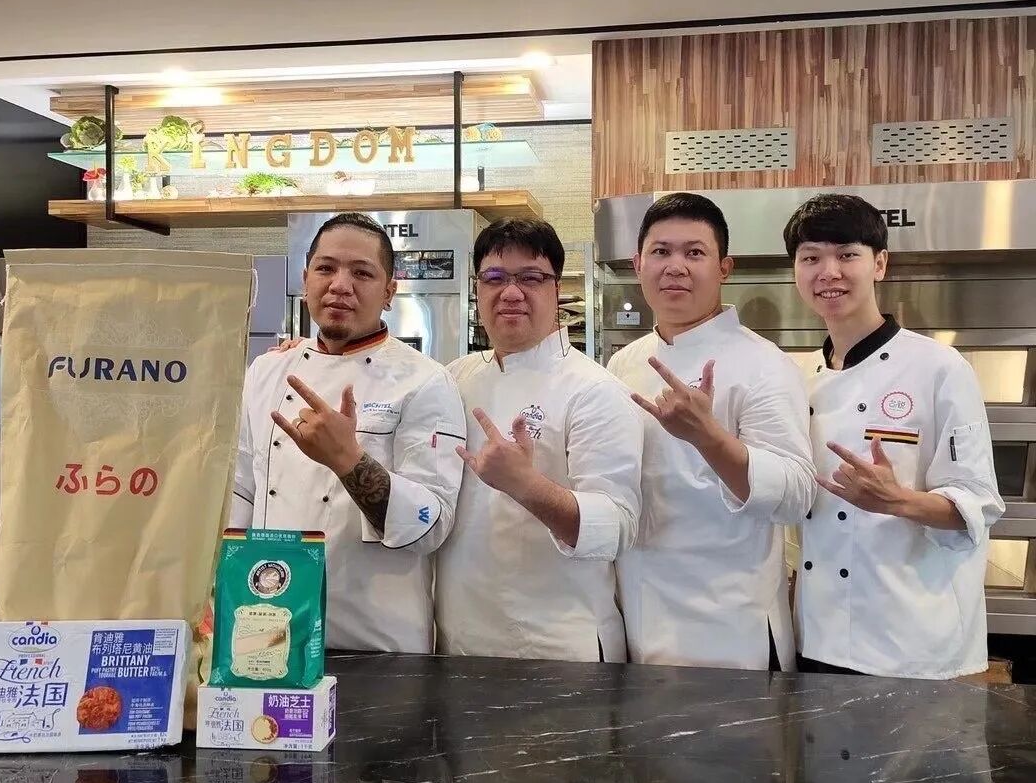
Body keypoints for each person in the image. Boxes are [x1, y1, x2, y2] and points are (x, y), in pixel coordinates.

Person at [783, 192, 1004, 677]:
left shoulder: (939, 368)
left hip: (912, 640)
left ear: (879, 264)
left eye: (847, 255)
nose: (829, 272)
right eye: (811, 258)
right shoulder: (798, 378)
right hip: (818, 633)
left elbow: (980, 504)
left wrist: (897, 500)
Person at [230, 211, 466, 653]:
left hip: (375, 641)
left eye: (362, 273)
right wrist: (223, 594)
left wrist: (347, 459)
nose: (340, 285)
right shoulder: (266, 370)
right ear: (305, 281)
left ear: (389, 292)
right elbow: (241, 491)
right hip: (268, 627)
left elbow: (431, 523)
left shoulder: (426, 382)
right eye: (326, 268)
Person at [607, 193, 816, 670]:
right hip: (640, 615)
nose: (675, 266)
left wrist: (708, 437)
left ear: (724, 268)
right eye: (661, 251)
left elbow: (796, 496)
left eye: (694, 252)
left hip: (733, 628)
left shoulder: (764, 365)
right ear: (638, 264)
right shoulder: (624, 363)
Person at [435, 218, 643, 662]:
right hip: (460, 638)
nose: (511, 293)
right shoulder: (455, 377)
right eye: (494, 278)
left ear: (557, 291)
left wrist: (525, 485)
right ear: (477, 289)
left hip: (561, 646)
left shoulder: (594, 389)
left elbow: (617, 527)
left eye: (531, 278)